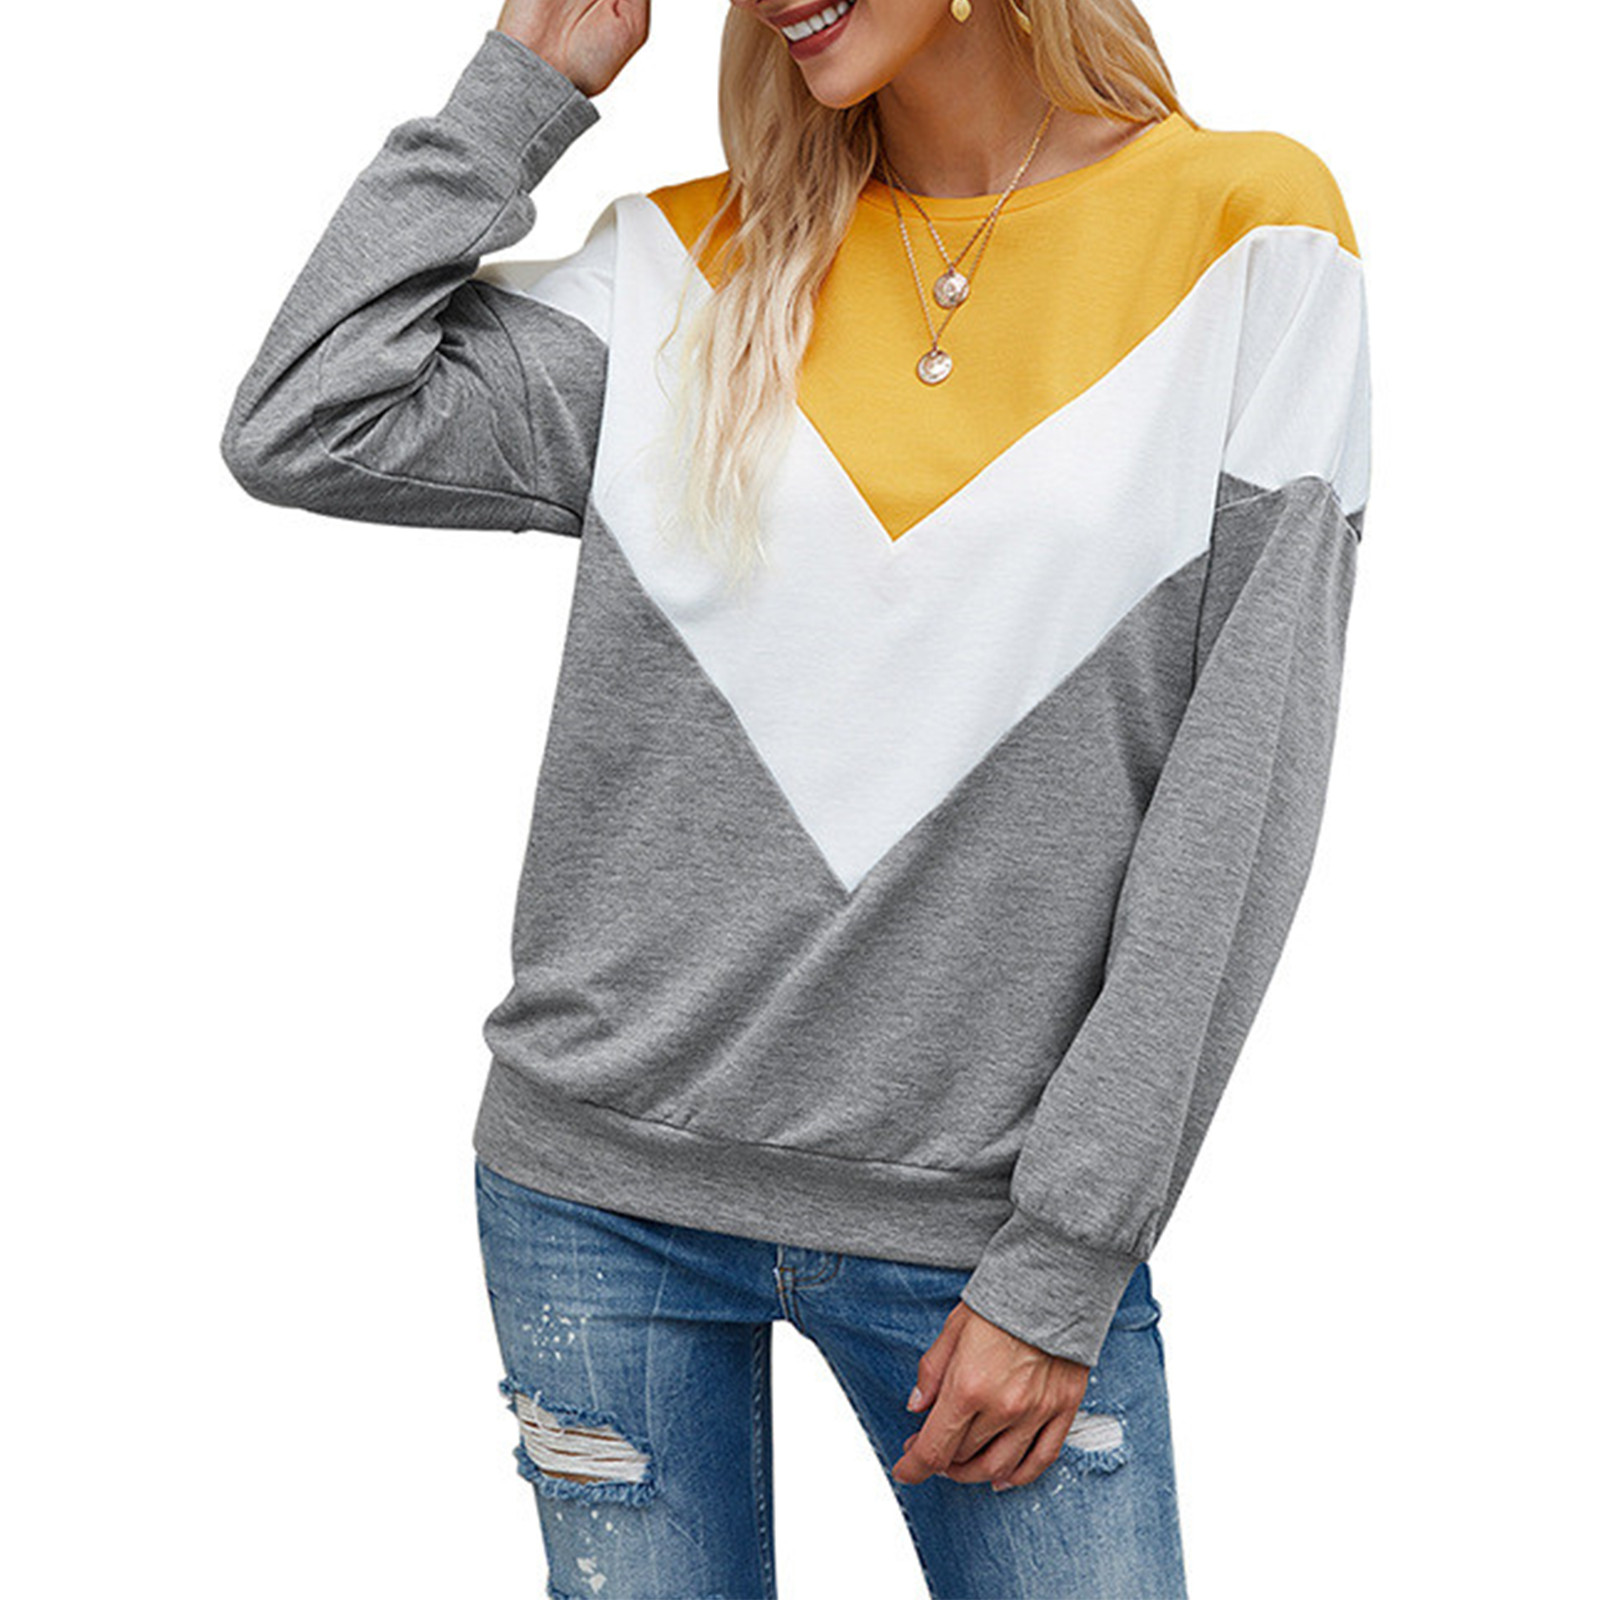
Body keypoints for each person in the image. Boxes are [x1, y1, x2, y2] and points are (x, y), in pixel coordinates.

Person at [220, 0, 1370, 1591]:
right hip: (594, 1197)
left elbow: (1239, 802)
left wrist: (1066, 1257)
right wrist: (525, 82)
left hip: (986, 1231)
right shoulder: (682, 267)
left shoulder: (1251, 236)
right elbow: (307, 417)